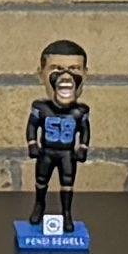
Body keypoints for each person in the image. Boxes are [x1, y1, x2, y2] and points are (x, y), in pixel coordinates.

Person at [25, 38, 94, 240]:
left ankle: (66, 214)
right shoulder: (41, 107)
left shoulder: (80, 111)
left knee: (67, 182)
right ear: (42, 73)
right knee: (41, 180)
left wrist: (82, 146)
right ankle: (39, 206)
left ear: (85, 73)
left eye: (74, 69)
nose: (66, 76)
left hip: (66, 153)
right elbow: (32, 126)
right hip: (46, 151)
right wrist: (32, 143)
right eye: (56, 68)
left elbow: (84, 129)